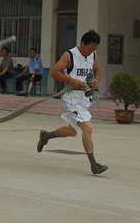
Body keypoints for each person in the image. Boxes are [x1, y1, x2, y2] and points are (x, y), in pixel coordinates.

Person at [36, 30, 109, 175]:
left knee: (72, 131)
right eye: (90, 48)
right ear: (82, 43)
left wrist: (96, 80)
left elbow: (97, 70)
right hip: (71, 97)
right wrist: (71, 80)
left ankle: (46, 136)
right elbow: (54, 72)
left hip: (83, 98)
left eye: (94, 49)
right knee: (87, 128)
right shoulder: (69, 55)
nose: (92, 51)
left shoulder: (92, 56)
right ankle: (94, 165)